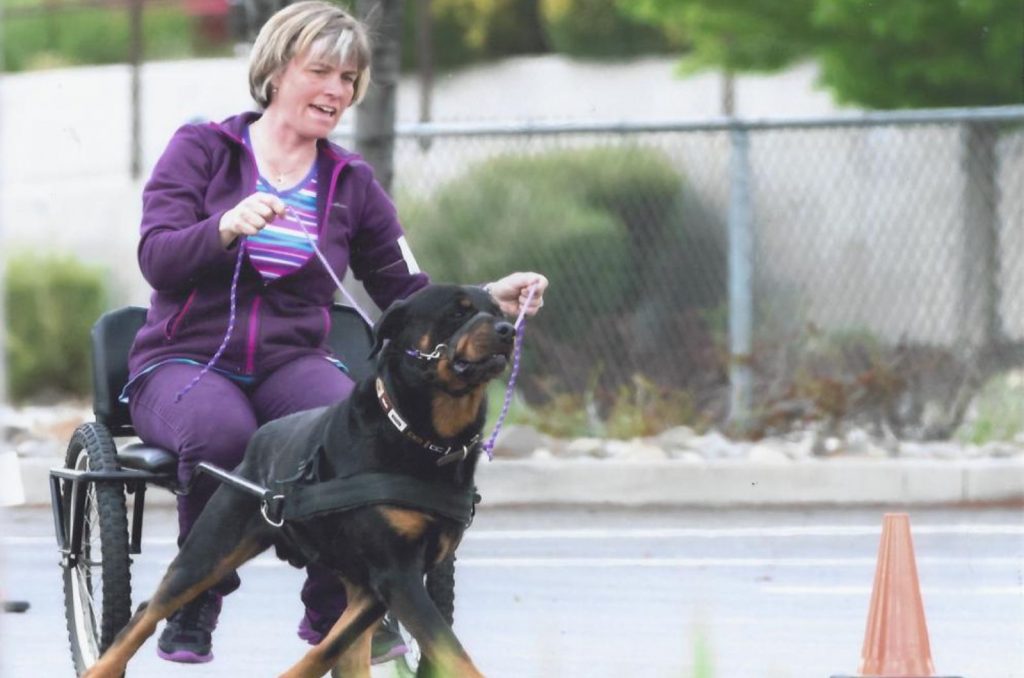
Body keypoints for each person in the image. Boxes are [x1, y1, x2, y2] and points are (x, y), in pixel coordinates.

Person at [123, 0, 547, 666]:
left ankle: (338, 614)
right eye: (321, 71)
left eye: (349, 78)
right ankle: (199, 594)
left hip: (291, 361)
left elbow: (408, 294)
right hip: (184, 362)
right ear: (275, 70)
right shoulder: (203, 149)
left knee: (348, 431)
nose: (337, 91)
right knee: (224, 437)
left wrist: (489, 299)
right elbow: (157, 255)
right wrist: (224, 228)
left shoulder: (351, 182)